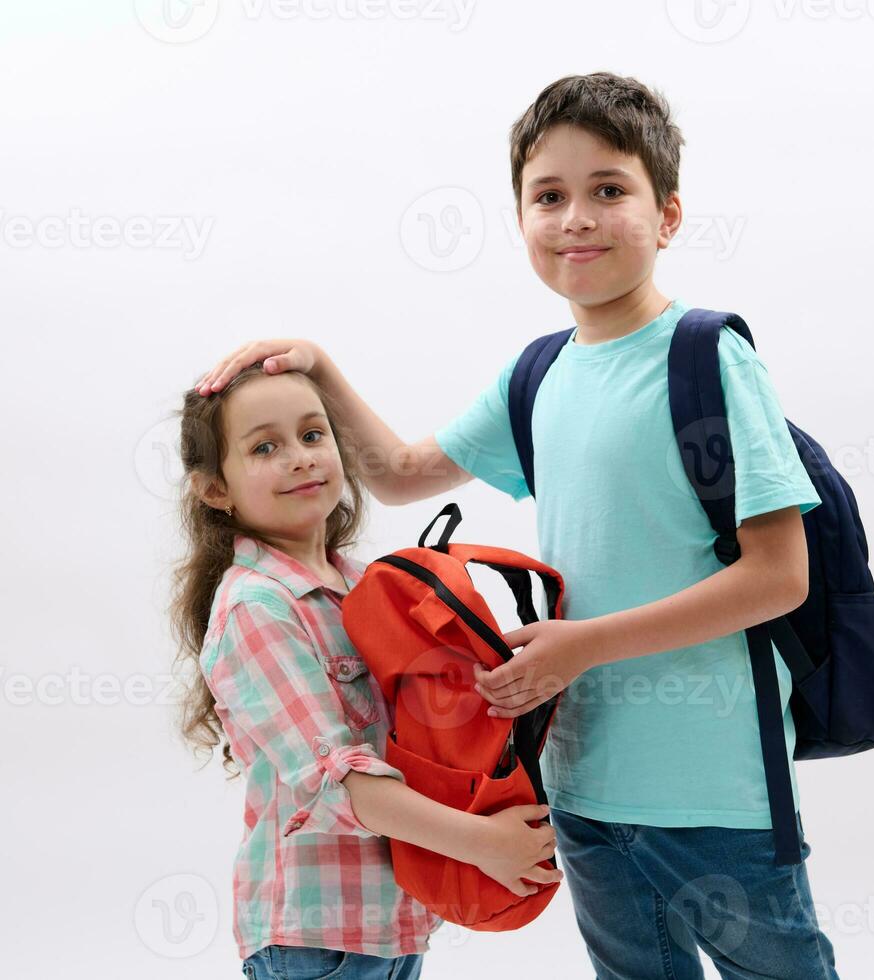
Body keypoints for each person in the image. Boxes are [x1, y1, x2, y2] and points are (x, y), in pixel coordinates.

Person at [197, 71, 840, 980]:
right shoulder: (539, 373)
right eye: (549, 197)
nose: (575, 217)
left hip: (715, 788)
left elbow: (779, 577)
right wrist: (322, 368)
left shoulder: (707, 357)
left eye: (607, 190)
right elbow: (403, 472)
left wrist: (578, 647)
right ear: (522, 221)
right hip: (577, 784)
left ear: (667, 216)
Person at [169, 363, 560, 979]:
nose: (300, 457)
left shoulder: (366, 585)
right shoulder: (257, 606)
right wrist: (484, 844)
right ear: (216, 488)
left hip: (393, 921)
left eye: (313, 434)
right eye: (265, 447)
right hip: (317, 936)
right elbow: (337, 781)